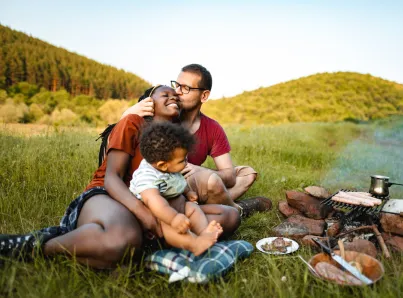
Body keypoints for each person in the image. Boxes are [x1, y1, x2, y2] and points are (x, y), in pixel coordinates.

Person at [0, 85, 240, 268]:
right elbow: (111, 178)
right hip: (111, 195)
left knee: (227, 216)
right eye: (164, 95)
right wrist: (143, 212)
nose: (173, 98)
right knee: (122, 240)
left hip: (157, 201)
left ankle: (146, 241)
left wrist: (183, 199)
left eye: (176, 97)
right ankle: (38, 245)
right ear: (148, 103)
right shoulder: (132, 123)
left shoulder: (174, 137)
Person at [124, 64, 272, 217]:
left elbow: (229, 175)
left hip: (192, 178)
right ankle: (236, 210)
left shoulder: (213, 128)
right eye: (177, 85)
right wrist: (128, 113)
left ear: (204, 96)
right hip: (164, 179)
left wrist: (201, 169)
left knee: (247, 174)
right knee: (211, 181)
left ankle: (205, 205)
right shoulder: (165, 113)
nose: (177, 92)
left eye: (185, 88)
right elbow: (124, 136)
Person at [129, 121, 222, 256]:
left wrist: (188, 192)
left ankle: (203, 234)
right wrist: (173, 218)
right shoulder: (146, 176)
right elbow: (153, 201)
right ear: (163, 165)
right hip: (152, 215)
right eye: (182, 160)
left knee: (192, 208)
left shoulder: (169, 168)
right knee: (166, 224)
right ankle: (194, 245)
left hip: (172, 206)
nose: (186, 162)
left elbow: (176, 181)